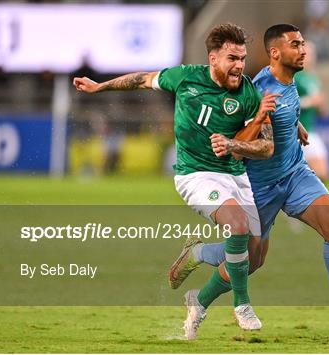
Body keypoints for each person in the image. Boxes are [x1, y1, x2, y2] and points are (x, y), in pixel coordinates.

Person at [73, 23, 281, 340]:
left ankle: (198, 291)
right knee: (237, 226)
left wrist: (234, 145)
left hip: (236, 175)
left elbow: (266, 147)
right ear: (213, 58)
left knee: (254, 258)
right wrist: (98, 87)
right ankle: (243, 305)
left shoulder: (249, 93)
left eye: (242, 58)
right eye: (231, 58)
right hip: (195, 174)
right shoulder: (186, 77)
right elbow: (141, 79)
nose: (239, 65)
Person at [169, 24, 329, 332]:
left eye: (303, 43)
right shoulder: (258, 91)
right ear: (276, 52)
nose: (303, 49)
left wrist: (294, 126)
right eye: (296, 44)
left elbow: (285, 113)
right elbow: (239, 142)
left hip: (294, 174)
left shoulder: (291, 80)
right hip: (259, 187)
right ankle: (199, 271)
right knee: (250, 262)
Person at [294, 41, 329, 181]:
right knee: (320, 173)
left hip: (311, 130)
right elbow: (287, 104)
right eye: (307, 53)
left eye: (312, 53)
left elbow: (320, 108)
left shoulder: (313, 78)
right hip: (298, 131)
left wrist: (321, 107)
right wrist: (310, 101)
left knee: (323, 174)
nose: (310, 56)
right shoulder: (295, 77)